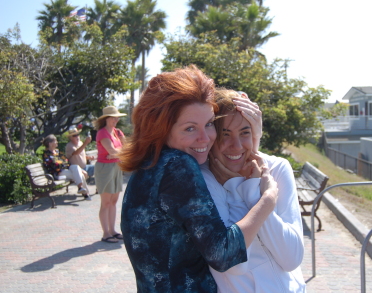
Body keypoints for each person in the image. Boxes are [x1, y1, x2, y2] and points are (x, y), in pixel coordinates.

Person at [119, 65, 278, 293]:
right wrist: (268, 199)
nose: (206, 138)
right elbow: (224, 254)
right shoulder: (178, 166)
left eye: (209, 124)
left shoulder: (150, 165)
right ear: (161, 129)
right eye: (190, 128)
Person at [201, 89, 306, 292]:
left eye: (244, 133)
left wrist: (250, 191)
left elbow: (291, 258)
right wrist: (252, 192)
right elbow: (235, 264)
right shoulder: (205, 179)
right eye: (226, 134)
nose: (237, 145)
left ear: (255, 133)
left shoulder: (276, 168)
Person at [93, 106, 127, 244]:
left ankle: (112, 231)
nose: (116, 119)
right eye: (113, 117)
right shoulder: (102, 133)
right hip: (105, 168)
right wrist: (115, 152)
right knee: (106, 202)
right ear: (106, 119)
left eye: (117, 117)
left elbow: (127, 148)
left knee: (113, 201)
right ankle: (106, 233)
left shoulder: (117, 132)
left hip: (116, 166)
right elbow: (111, 151)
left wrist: (115, 152)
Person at [42, 134, 91, 200]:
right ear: (50, 143)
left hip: (64, 170)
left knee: (75, 167)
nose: (57, 142)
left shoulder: (57, 151)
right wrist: (63, 163)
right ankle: (85, 193)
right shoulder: (46, 154)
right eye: (55, 141)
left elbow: (66, 161)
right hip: (58, 173)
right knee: (80, 174)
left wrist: (79, 169)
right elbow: (55, 165)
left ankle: (81, 188)